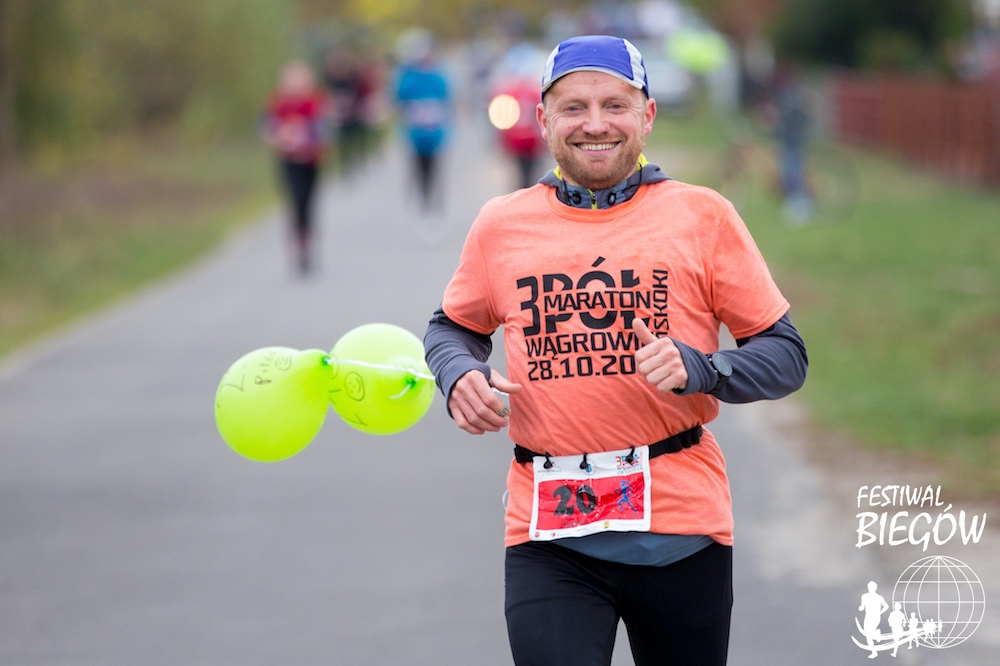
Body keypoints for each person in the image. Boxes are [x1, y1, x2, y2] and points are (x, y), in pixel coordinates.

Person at [423, 35, 808, 666]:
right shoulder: (501, 224)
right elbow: (452, 327)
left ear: (647, 116)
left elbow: (786, 355)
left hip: (681, 530)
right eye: (573, 108)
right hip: (549, 536)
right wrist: (458, 371)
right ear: (543, 118)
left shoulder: (702, 216)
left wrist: (704, 368)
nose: (595, 124)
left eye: (615, 106)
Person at [261, 60, 330, 274]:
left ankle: (307, 246)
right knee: (295, 202)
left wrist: (311, 139)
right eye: (292, 82)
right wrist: (280, 137)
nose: (296, 87)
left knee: (308, 204)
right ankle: (299, 248)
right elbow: (266, 130)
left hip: (311, 162)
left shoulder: (315, 103)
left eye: (300, 82)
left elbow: (326, 130)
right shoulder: (277, 104)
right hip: (288, 161)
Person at [393, 28, 452, 213]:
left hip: (435, 131)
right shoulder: (407, 76)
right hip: (415, 132)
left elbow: (446, 100)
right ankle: (423, 199)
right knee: (419, 166)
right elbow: (399, 101)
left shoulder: (438, 75)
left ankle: (434, 201)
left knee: (435, 167)